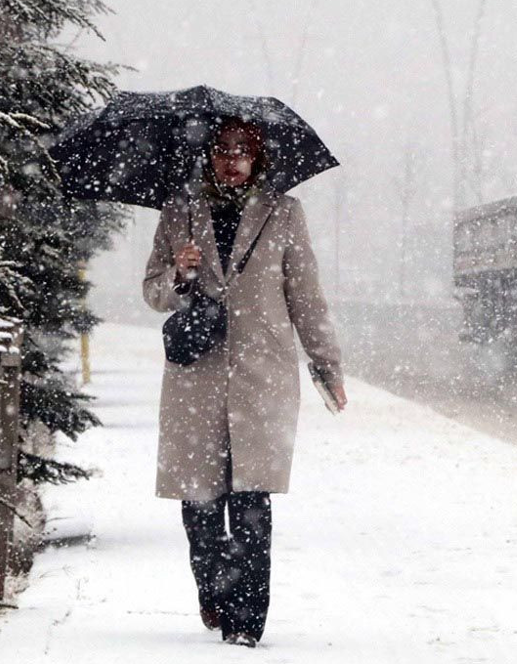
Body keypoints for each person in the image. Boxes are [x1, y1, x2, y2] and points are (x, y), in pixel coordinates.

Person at [142, 117, 347, 648]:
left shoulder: (284, 213)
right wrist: (179, 274)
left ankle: (246, 623)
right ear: (209, 156)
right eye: (222, 151)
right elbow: (152, 293)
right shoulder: (179, 211)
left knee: (252, 502)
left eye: (242, 152)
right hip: (197, 378)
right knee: (200, 503)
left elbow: (306, 297)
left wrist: (326, 367)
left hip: (263, 376)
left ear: (259, 159)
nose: (231, 161)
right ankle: (213, 588)